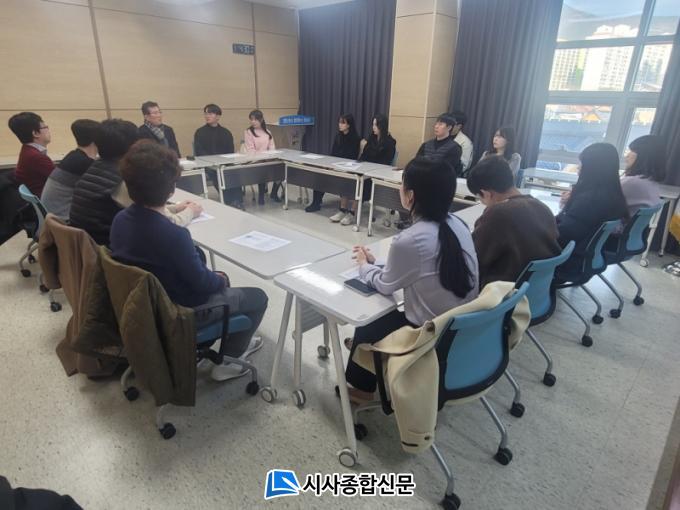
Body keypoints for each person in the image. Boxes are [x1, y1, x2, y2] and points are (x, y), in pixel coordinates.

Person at [109, 141, 268, 381]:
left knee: (211, 271)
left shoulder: (120, 220)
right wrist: (220, 279)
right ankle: (229, 361)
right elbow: (204, 284)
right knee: (257, 297)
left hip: (145, 308)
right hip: (180, 312)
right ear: (171, 189)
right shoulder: (174, 235)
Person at [345, 157, 479, 401]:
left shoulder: (410, 239)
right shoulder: (458, 224)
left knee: (367, 322)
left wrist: (364, 265)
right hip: (460, 327)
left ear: (410, 195)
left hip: (427, 333)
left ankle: (361, 389)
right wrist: (378, 264)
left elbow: (385, 285)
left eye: (402, 184)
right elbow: (422, 266)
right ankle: (364, 353)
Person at [70, 119, 202, 245]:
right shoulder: (124, 179)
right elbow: (165, 223)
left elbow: (144, 210)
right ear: (132, 147)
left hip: (88, 245)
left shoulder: (95, 168)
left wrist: (175, 208)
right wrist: (190, 212)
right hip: (109, 249)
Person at [467, 156, 561, 287]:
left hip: (502, 291)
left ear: (487, 193)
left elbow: (472, 260)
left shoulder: (498, 214)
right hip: (535, 288)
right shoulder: (541, 207)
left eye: (480, 198)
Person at [555, 143, 628, 274]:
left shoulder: (590, 200)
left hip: (569, 260)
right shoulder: (612, 194)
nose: (578, 167)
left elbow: (565, 234)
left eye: (582, 163)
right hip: (588, 257)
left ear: (593, 168)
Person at [330, 114, 396, 226]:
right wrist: (358, 164)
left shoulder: (390, 142)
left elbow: (386, 162)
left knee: (361, 182)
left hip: (376, 174)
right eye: (373, 124)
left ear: (382, 126)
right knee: (348, 178)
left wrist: (369, 166)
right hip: (365, 169)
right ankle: (342, 209)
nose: (373, 127)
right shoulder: (372, 138)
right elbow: (365, 154)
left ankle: (352, 212)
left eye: (376, 125)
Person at [41, 119, 100, 219]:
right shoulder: (84, 163)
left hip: (52, 216)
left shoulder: (73, 156)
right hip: (63, 220)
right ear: (97, 139)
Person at [305, 113, 362, 213]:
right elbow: (333, 154)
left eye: (343, 123)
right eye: (339, 122)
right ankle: (316, 203)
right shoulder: (338, 137)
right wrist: (329, 165)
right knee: (320, 175)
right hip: (335, 165)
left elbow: (351, 157)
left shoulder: (355, 139)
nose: (340, 125)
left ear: (349, 125)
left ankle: (344, 207)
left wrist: (338, 164)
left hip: (346, 168)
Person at [193, 104, 238, 205]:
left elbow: (230, 151)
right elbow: (199, 151)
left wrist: (223, 162)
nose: (207, 116)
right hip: (208, 164)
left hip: (224, 163)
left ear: (218, 116)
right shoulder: (200, 132)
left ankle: (238, 200)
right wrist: (212, 161)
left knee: (233, 171)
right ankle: (229, 200)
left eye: (210, 113)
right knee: (216, 172)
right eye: (205, 113)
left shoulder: (226, 132)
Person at [8, 112, 55, 197]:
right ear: (35, 133)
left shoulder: (26, 150)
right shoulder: (37, 157)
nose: (48, 130)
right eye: (45, 127)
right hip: (47, 199)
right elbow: (62, 182)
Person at [620, 135, 665, 216]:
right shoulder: (650, 181)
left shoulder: (632, 182)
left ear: (643, 155)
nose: (627, 155)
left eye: (632, 150)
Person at [244, 109, 279, 205]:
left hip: (268, 159)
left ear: (261, 119)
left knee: (281, 168)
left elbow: (272, 147)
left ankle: (274, 193)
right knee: (262, 170)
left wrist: (270, 156)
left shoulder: (268, 132)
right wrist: (263, 157)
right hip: (256, 160)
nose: (253, 122)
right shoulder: (248, 132)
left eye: (255, 119)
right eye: (251, 119)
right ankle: (261, 195)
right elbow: (250, 150)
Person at [450, 110, 473, 175]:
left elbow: (464, 166)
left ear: (459, 126)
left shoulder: (466, 142)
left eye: (451, 123)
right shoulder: (444, 136)